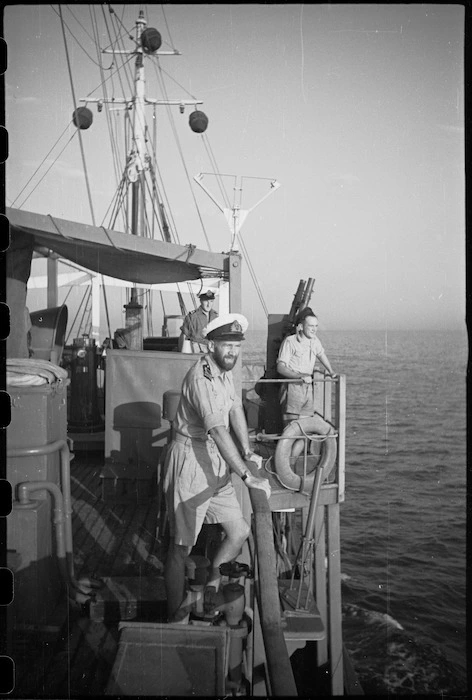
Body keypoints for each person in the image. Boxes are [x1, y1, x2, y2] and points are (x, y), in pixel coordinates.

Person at [163, 313, 271, 622]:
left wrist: (248, 449)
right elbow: (217, 430)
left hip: (216, 462)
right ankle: (175, 617)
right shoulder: (201, 377)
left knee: (239, 531)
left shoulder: (224, 371)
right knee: (180, 548)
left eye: (236, 347)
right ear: (212, 344)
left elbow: (235, 408)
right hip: (192, 462)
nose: (232, 353)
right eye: (226, 345)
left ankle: (211, 583)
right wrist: (248, 475)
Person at [276, 310, 336, 427]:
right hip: (292, 386)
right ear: (301, 326)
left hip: (307, 388)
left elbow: (321, 354)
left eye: (316, 326)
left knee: (304, 430)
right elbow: (280, 367)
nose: (314, 329)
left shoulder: (315, 341)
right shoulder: (290, 341)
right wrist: (300, 376)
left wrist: (331, 371)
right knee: (291, 429)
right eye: (311, 326)